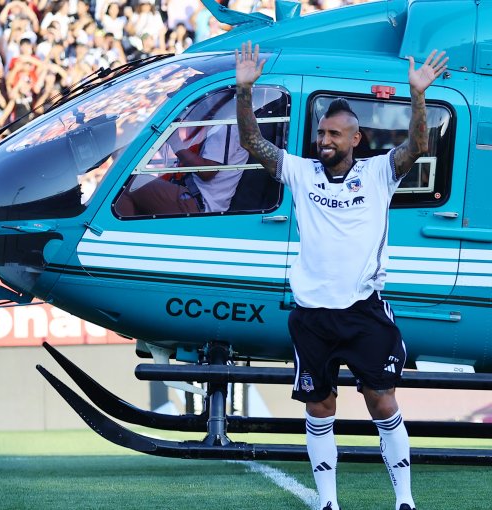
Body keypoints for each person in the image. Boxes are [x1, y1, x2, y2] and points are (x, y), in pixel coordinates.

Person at [234, 42, 447, 510]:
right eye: (321, 133)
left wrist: (417, 96)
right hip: (312, 315)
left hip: (363, 311)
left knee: (382, 403)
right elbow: (252, 141)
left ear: (356, 139)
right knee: (319, 408)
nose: (324, 140)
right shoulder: (301, 172)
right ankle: (328, 503)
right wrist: (245, 89)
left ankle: (404, 501)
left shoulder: (379, 174)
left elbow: (418, 144)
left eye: (334, 133)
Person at [115, 121, 248, 216]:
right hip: (194, 196)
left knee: (126, 185)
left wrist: (175, 142)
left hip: (200, 204)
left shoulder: (227, 127)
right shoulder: (218, 126)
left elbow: (207, 172)